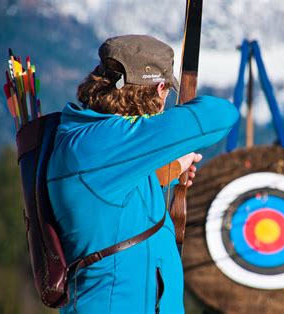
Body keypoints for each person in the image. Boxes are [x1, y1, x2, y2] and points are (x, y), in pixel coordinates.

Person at [46, 35, 239, 313]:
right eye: (166, 91)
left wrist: (163, 171)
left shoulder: (90, 138)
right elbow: (221, 114)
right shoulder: (107, 142)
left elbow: (110, 203)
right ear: (160, 88)